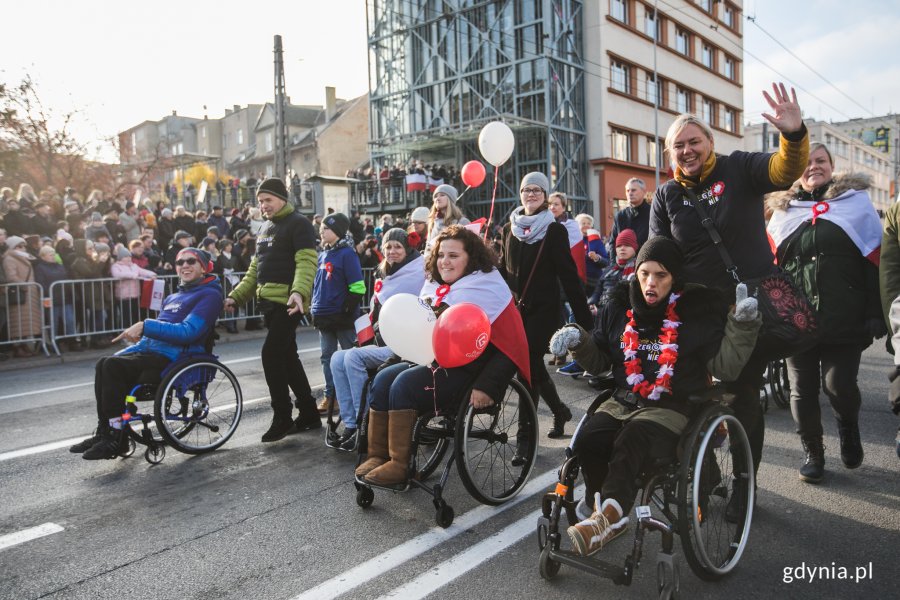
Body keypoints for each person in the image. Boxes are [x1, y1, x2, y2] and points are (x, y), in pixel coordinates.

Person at [648, 83, 809, 498]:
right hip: (697, 314)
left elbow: (783, 171)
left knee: (741, 397)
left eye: (693, 141)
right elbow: (659, 257)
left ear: (710, 142)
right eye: (678, 146)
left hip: (746, 311)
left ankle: (744, 483)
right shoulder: (667, 195)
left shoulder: (738, 167)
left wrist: (793, 135)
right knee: (687, 393)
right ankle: (706, 475)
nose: (687, 150)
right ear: (670, 155)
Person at [552, 237, 761, 556]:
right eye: (644, 273)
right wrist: (578, 342)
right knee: (588, 440)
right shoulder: (618, 307)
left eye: (661, 275)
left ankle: (608, 517)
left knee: (631, 441)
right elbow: (601, 363)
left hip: (672, 407)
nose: (651, 282)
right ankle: (603, 508)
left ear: (675, 277)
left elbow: (727, 368)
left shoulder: (696, 313)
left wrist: (742, 327)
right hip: (622, 401)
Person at [355, 226, 529, 486]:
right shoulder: (433, 287)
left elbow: (511, 346)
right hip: (429, 363)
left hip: (467, 373)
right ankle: (378, 455)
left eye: (454, 256)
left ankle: (401, 466)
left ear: (471, 258)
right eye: (441, 255)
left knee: (403, 385)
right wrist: (394, 360)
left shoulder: (489, 289)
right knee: (382, 380)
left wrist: (486, 387)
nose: (445, 261)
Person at [767, 143, 884, 482]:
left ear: (832, 166)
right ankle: (813, 452)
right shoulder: (783, 212)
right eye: (805, 163)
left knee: (839, 385)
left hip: (844, 315)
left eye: (820, 161)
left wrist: (874, 310)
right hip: (797, 319)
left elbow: (874, 260)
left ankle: (848, 428)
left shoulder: (856, 206)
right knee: (801, 389)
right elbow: (771, 268)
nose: (813, 167)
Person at [69, 248, 223, 460]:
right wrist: (125, 351)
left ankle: (115, 437)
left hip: (177, 357)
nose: (184, 266)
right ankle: (108, 430)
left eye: (191, 261)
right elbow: (150, 337)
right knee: (105, 363)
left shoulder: (210, 295)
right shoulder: (173, 297)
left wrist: (145, 325)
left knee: (112, 367)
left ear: (204, 267)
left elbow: (189, 332)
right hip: (153, 351)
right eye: (180, 262)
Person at [225, 177, 320, 443]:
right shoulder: (265, 228)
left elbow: (306, 262)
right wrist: (236, 297)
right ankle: (310, 413)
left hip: (288, 304)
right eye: (260, 201)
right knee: (288, 359)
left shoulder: (299, 224)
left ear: (282, 198)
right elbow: (256, 269)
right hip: (269, 302)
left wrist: (299, 293)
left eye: (268, 200)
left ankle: (283, 416)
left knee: (271, 355)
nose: (263, 206)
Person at [500, 172, 593, 440]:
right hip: (516, 313)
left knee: (527, 368)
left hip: (543, 312)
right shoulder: (509, 230)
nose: (530, 194)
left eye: (537, 190)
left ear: (544, 196)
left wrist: (585, 320)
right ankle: (560, 410)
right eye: (526, 189)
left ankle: (525, 436)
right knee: (532, 369)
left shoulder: (554, 230)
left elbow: (568, 275)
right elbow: (504, 273)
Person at [330, 228, 425, 449]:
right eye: (388, 247)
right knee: (336, 358)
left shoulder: (417, 272)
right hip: (380, 339)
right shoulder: (384, 273)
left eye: (398, 247)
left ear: (407, 249)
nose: (392, 251)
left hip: (402, 344)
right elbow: (375, 314)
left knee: (352, 358)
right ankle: (351, 424)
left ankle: (367, 425)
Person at [311, 213, 366, 415]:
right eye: (322, 228)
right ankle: (331, 396)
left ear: (337, 232)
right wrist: (314, 307)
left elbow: (358, 287)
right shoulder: (322, 254)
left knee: (349, 358)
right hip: (324, 317)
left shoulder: (347, 254)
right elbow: (318, 285)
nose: (322, 231)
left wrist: (346, 309)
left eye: (326, 228)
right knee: (327, 358)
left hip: (342, 318)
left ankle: (357, 395)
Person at [2, 236, 42, 357]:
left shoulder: (24, 258)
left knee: (26, 322)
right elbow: (11, 276)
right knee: (18, 321)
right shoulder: (9, 259)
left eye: (23, 245)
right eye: (19, 246)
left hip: (29, 294)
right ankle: (17, 347)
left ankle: (23, 344)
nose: (22, 248)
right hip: (21, 293)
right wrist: (24, 285)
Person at [607, 178, 651, 257]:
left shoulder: (653, 213)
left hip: (645, 262)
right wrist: (614, 263)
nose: (630, 193)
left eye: (633, 190)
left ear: (644, 192)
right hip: (622, 265)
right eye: (628, 191)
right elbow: (612, 242)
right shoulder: (620, 215)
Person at [425, 184, 469, 255]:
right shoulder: (432, 222)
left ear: (450, 199)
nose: (437, 199)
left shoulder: (462, 221)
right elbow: (427, 250)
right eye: (435, 196)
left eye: (442, 195)